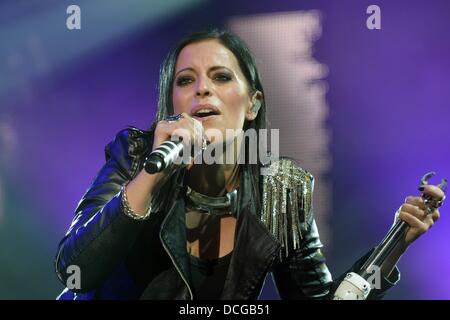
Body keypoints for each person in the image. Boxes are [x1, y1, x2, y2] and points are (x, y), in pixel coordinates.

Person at [54, 29, 444, 300]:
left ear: (253, 103)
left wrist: (395, 244)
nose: (202, 89)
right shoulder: (136, 154)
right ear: (171, 102)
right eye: (185, 80)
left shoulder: (283, 189)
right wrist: (151, 177)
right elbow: (77, 270)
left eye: (221, 76)